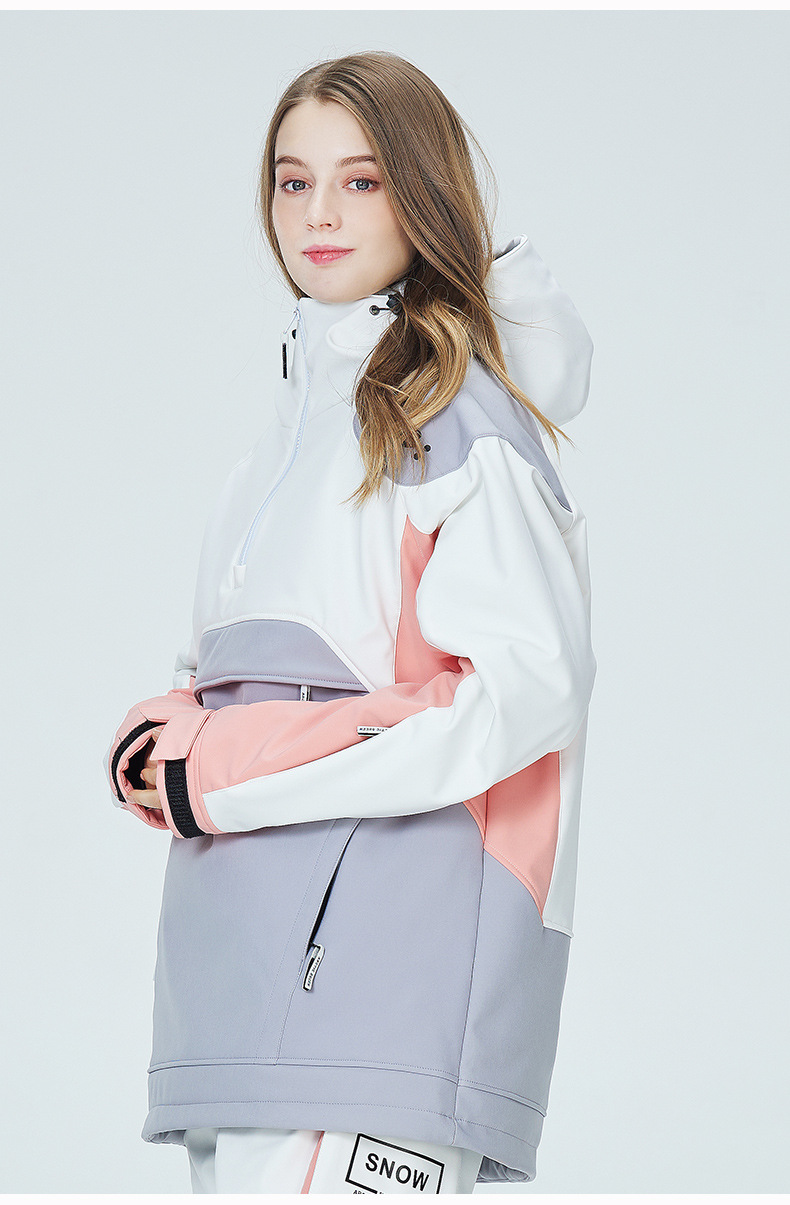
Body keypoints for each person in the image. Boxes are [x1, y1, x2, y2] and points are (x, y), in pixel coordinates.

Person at [104, 50, 597, 1194]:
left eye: (360, 180)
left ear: (421, 192)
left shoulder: (454, 423)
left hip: (382, 991)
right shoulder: (275, 449)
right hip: (239, 991)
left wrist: (216, 766)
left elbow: (524, 689)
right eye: (293, 181)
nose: (317, 212)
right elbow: (223, 692)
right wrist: (166, 736)